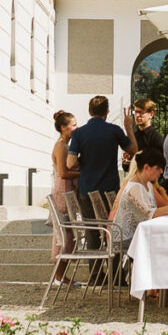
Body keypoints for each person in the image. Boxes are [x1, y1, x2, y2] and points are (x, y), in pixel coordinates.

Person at [112, 150, 168, 309]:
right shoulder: (134, 187)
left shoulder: (144, 185)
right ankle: (166, 291)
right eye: (158, 168)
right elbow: (151, 214)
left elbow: (154, 210)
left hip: (138, 233)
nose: (161, 172)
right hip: (126, 238)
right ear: (146, 167)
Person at [68, 95, 132, 200]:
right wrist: (128, 128)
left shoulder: (79, 133)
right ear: (107, 111)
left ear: (89, 111)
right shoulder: (115, 130)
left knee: (88, 217)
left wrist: (82, 159)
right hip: (110, 191)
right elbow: (134, 150)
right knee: (110, 217)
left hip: (87, 190)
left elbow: (70, 163)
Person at [48, 110, 80, 276]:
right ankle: (59, 275)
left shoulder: (66, 146)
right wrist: (83, 174)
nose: (76, 128)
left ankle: (62, 275)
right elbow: (63, 173)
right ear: (63, 127)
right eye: (73, 125)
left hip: (69, 191)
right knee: (63, 231)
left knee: (68, 231)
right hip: (63, 191)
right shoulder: (61, 146)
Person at [125, 99, 164, 173]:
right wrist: (127, 160)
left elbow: (160, 167)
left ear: (151, 114)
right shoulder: (133, 136)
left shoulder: (156, 138)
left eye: (141, 112)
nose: (137, 115)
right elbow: (126, 168)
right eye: (136, 112)